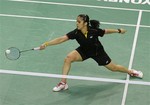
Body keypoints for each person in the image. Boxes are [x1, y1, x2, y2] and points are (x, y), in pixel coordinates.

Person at [40, 14, 143, 92]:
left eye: (79, 22)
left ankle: (131, 71)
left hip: (97, 52)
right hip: (84, 51)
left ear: (85, 23)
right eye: (76, 21)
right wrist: (46, 44)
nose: (77, 23)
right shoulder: (76, 32)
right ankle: (63, 83)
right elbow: (62, 39)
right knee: (68, 58)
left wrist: (118, 30)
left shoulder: (93, 30)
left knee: (114, 68)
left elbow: (105, 31)